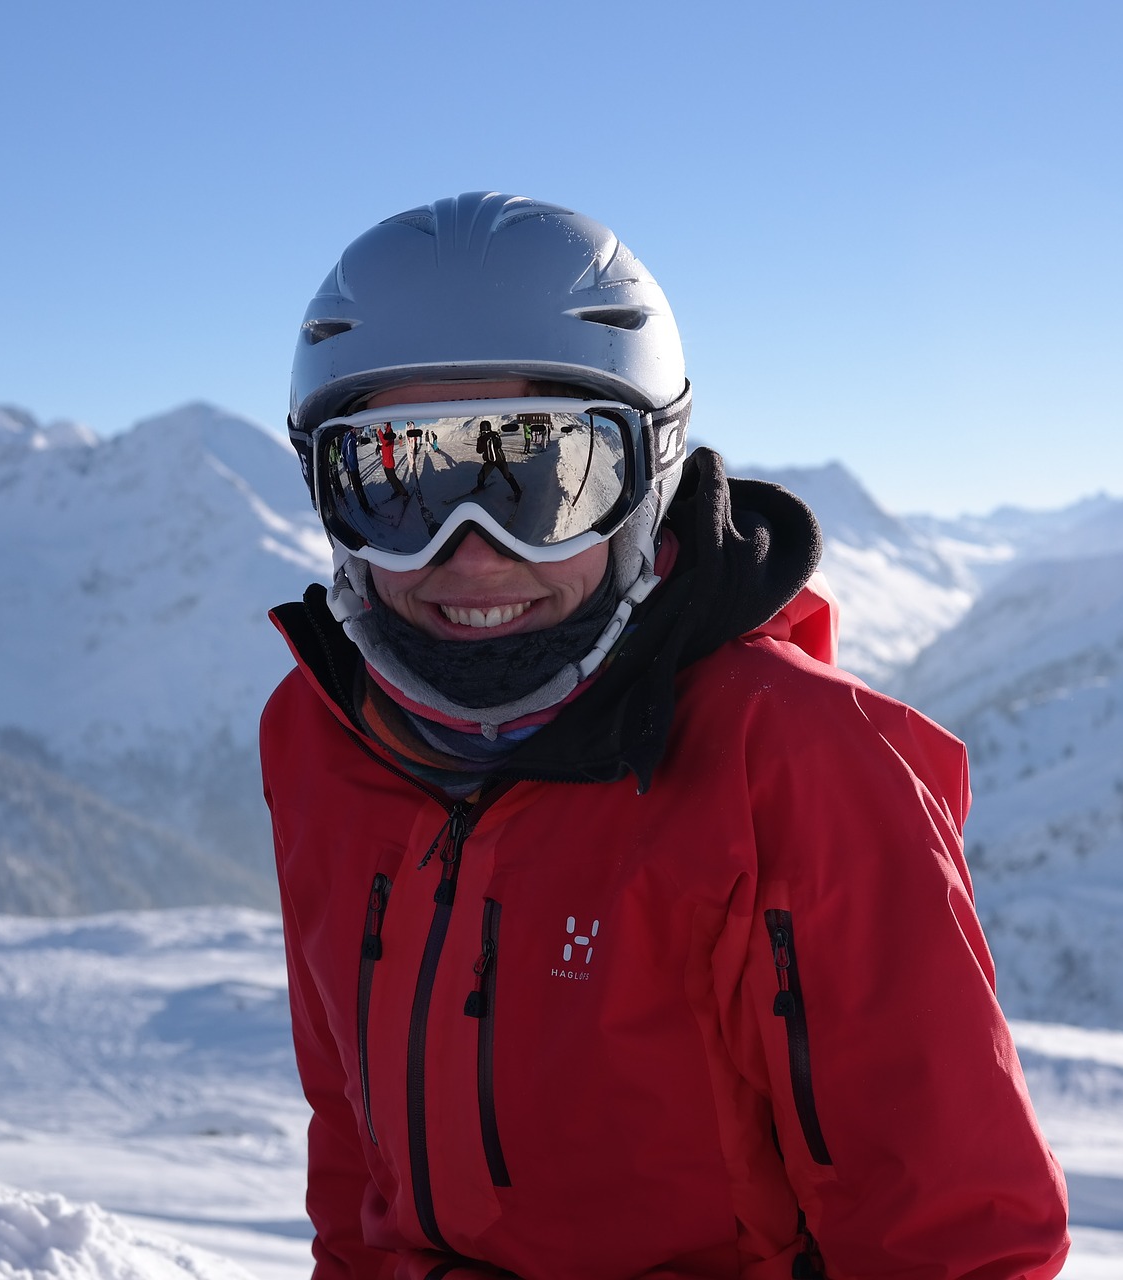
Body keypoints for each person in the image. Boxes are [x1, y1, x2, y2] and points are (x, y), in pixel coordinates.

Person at [262, 192, 1069, 1279]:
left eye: (544, 474)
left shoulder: (796, 767)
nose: (471, 551)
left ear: (651, 473)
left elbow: (958, 1244)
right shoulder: (323, 738)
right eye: (395, 479)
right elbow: (358, 1162)